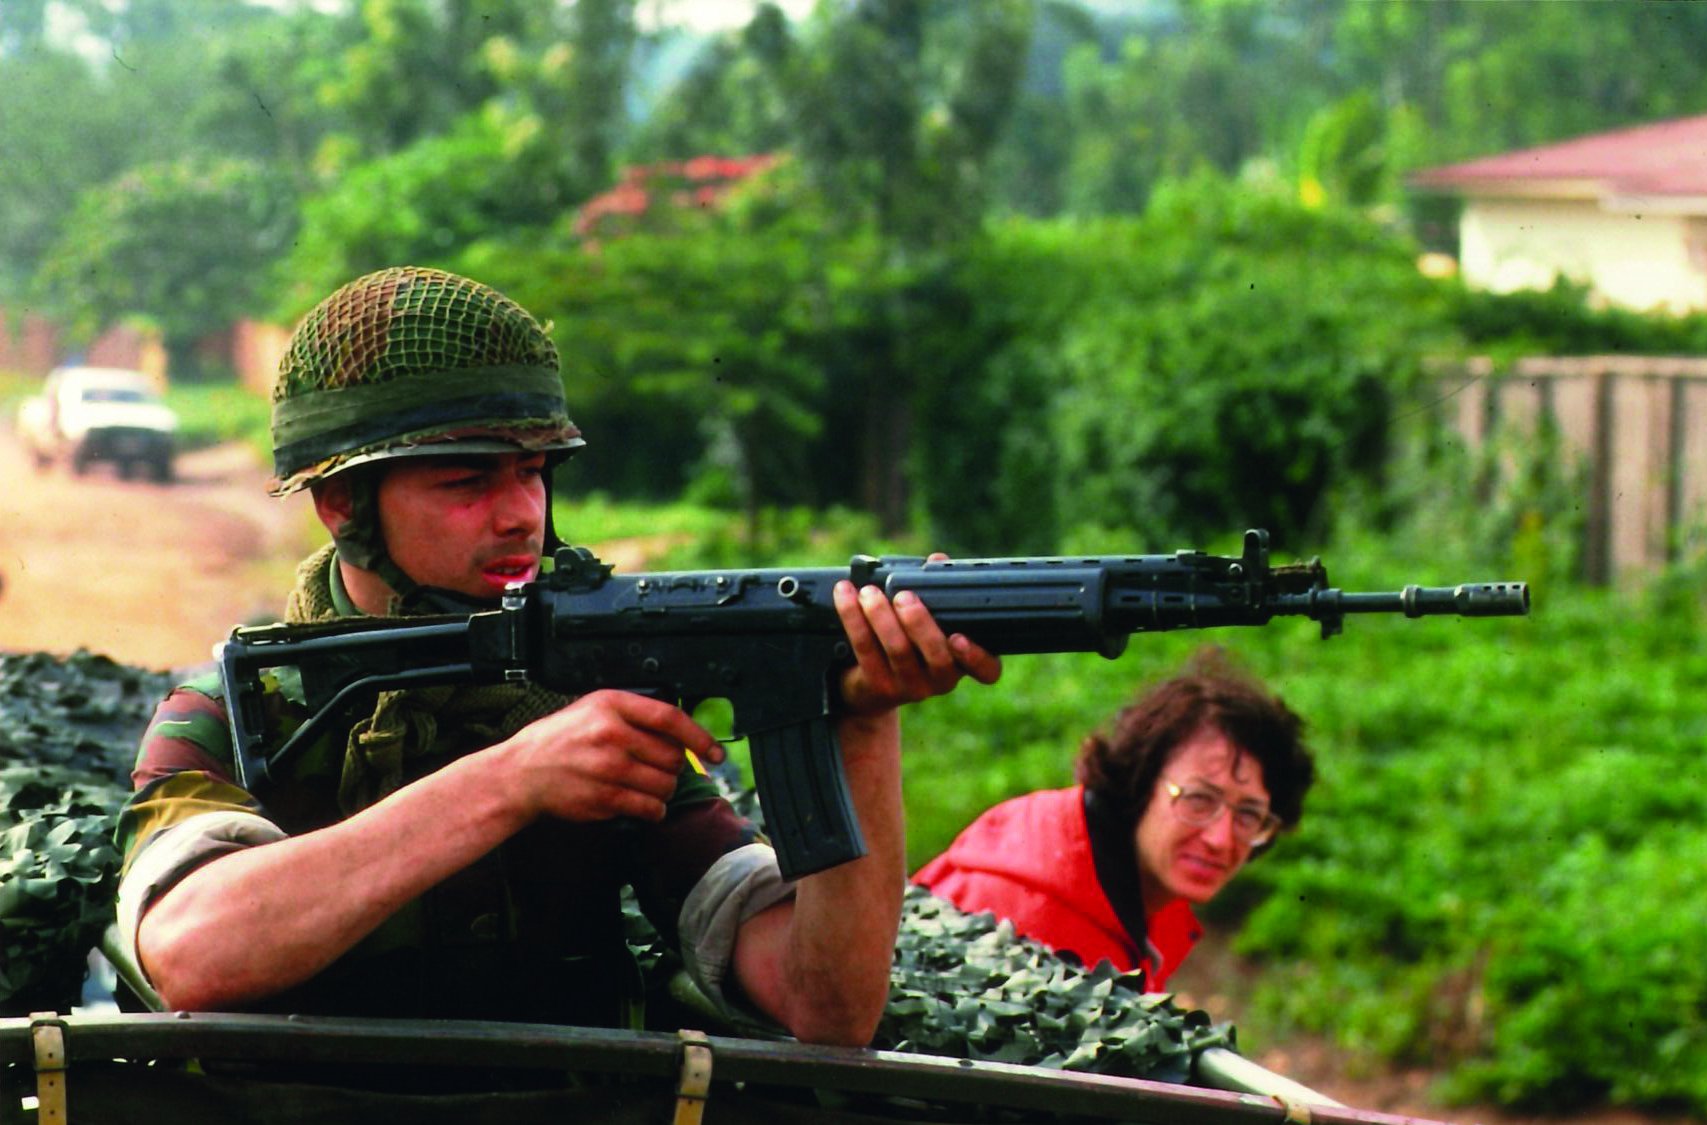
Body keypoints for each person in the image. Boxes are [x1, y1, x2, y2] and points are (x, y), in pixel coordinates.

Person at [113, 266, 1000, 1047]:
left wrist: (858, 720)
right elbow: (190, 952)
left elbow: (825, 1006)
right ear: (342, 504)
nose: (521, 515)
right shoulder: (235, 710)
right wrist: (511, 779)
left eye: (535, 471)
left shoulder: (582, 696)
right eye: (468, 481)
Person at [911, 649, 1313, 993]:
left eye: (1248, 815)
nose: (1220, 838)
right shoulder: (1024, 919)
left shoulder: (1143, 896)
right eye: (1198, 800)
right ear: (1140, 781)